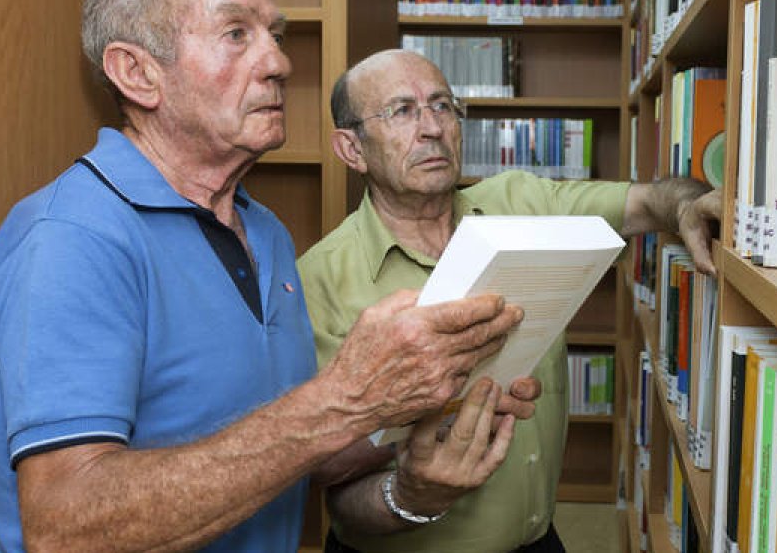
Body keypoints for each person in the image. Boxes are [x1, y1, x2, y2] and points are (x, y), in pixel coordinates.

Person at [0, 0, 539, 553]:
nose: (279, 63)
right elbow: (64, 526)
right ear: (136, 73)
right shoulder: (69, 240)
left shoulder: (264, 233)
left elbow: (281, 452)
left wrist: (422, 418)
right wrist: (344, 402)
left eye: (276, 33)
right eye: (236, 34)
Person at [298, 48, 721, 552]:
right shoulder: (318, 278)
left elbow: (650, 201)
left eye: (442, 105)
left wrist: (689, 205)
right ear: (352, 149)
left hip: (540, 542)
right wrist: (427, 415)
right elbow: (326, 476)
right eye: (402, 111)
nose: (432, 127)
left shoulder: (523, 204)